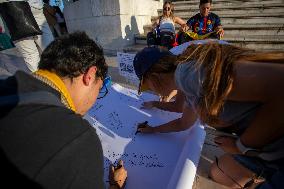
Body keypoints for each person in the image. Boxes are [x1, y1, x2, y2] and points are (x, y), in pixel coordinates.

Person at [133, 45, 284, 188]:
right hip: (267, 149)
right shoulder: (185, 83)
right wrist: (153, 130)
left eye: (147, 86)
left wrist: (241, 146)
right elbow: (184, 123)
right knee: (218, 172)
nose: (151, 91)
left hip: (276, 149)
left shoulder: (187, 74)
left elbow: (280, 83)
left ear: (154, 77)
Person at [0, 32, 127, 189]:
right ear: (90, 75)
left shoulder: (6, 87)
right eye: (99, 89)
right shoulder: (77, 139)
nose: (95, 99)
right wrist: (116, 185)